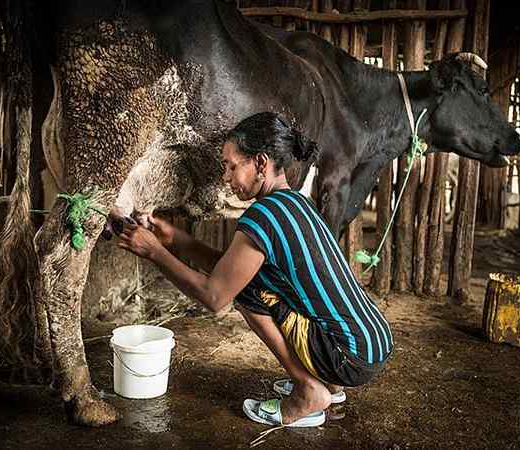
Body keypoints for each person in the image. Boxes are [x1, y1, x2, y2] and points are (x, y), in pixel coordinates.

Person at [116, 112, 393, 427]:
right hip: (371, 344)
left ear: (261, 163)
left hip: (347, 357)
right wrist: (175, 239)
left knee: (248, 292)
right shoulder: (295, 205)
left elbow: (215, 296)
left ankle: (309, 390)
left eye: (232, 166)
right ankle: (330, 384)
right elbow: (230, 270)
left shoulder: (263, 216)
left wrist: (153, 251)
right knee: (251, 282)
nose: (226, 177)